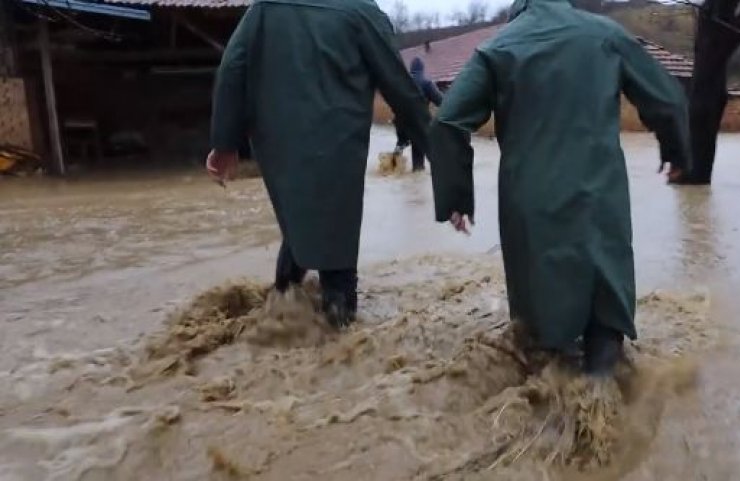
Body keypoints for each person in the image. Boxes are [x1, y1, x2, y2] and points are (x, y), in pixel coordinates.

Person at [428, 0, 690, 376]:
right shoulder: (606, 35)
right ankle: (604, 400)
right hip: (600, 195)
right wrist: (676, 151)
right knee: (604, 304)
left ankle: (550, 403)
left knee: (541, 319)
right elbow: (667, 97)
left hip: (529, 201)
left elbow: (447, 123)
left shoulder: (498, 48)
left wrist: (456, 197)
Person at [206, 0, 431, 328]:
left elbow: (232, 68)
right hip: (338, 149)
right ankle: (337, 342)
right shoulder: (361, 12)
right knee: (336, 241)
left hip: (278, 148)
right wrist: (443, 153)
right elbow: (401, 89)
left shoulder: (266, 9)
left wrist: (224, 143)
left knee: (299, 225)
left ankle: (279, 310)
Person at [394, 57, 443, 171]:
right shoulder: (427, 83)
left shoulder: (402, 82)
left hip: (401, 123)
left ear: (411, 69)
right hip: (419, 123)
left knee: (400, 146)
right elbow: (440, 101)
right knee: (421, 154)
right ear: (422, 69)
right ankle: (420, 175)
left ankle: (392, 168)